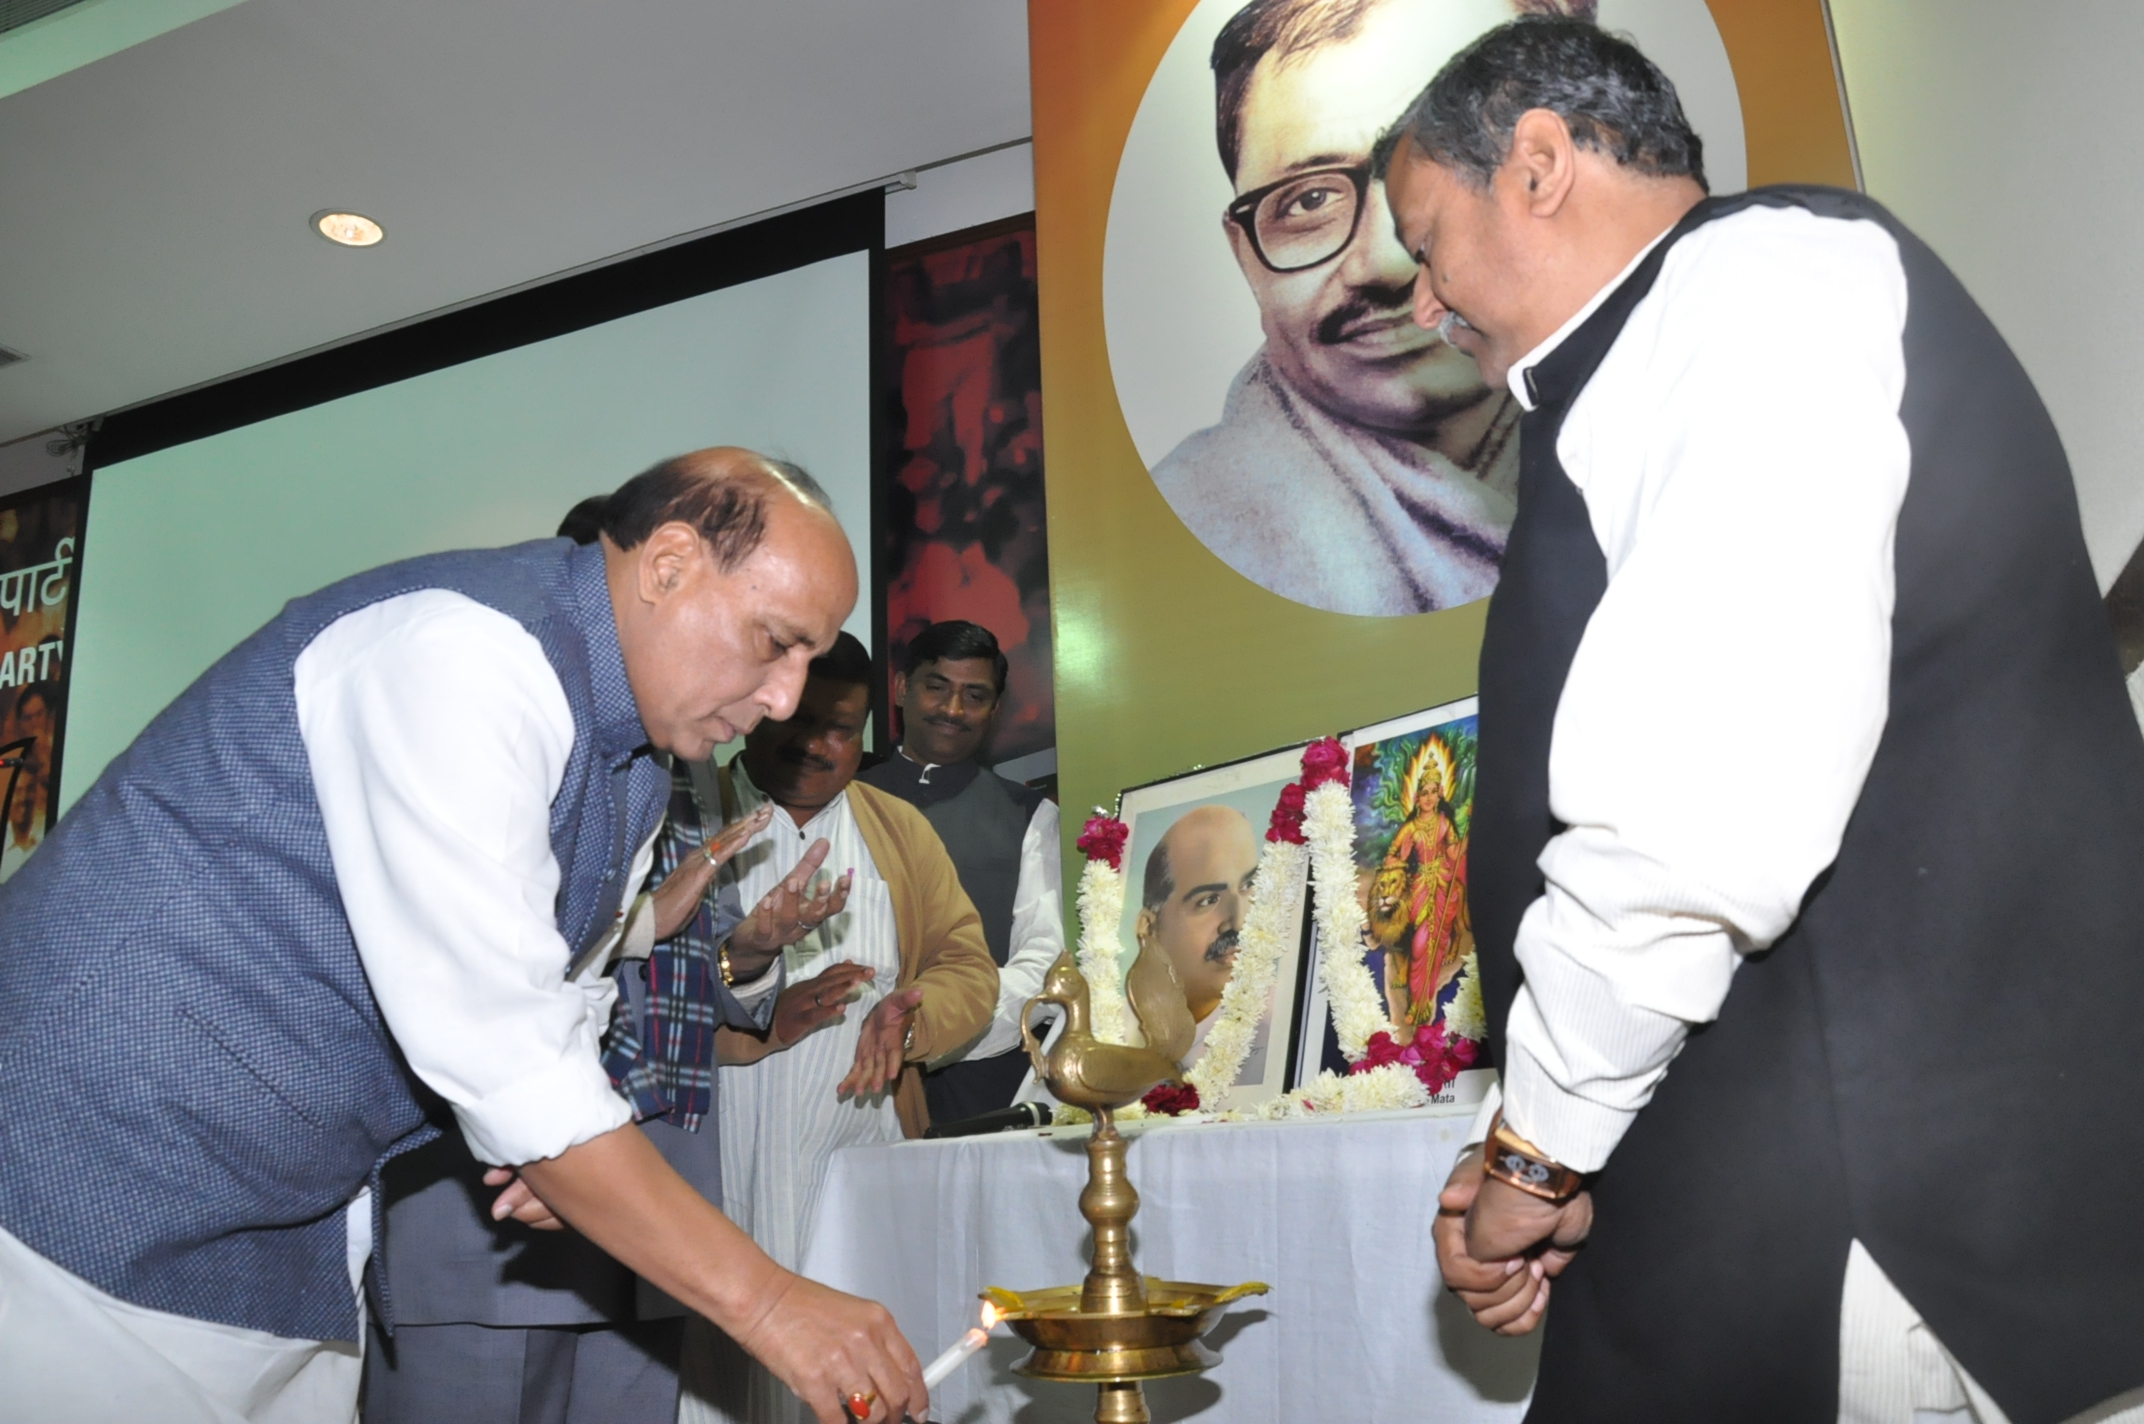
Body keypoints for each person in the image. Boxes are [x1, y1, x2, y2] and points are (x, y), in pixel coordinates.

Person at [1377, 18, 2144, 1421]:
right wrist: (1553, 1153)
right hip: (1807, 1219)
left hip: (1900, 1239)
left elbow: (1702, 816)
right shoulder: (1671, 351)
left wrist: (1540, 1151)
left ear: (1539, 164)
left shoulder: (1756, 284)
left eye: (1428, 241)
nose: (1426, 302)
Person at [0, 447, 932, 1424]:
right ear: (667, 565)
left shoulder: (637, 767)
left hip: (272, 1231)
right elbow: (503, 1048)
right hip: (84, 1183)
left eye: (807, 660)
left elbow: (563, 990)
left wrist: (559, 1147)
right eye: (774, 642)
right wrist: (773, 1301)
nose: (786, 698)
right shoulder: (466, 653)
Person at [361, 489, 861, 1424]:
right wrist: (639, 924)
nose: (783, 696)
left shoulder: (695, 758)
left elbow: (695, 966)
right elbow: (483, 972)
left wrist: (747, 946)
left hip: (659, 1166)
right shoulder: (489, 710)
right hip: (495, 1188)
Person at [1151, 0, 1589, 616]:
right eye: (1308, 202)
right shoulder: (1180, 556)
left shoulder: (1688, 407)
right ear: (1244, 254)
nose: (1385, 264)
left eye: (1451, 164)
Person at [681, 632, 996, 1424]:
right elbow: (636, 984)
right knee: (719, 1379)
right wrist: (753, 1008)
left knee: (865, 1372)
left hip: (863, 1154)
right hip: (720, 1159)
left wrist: (908, 1021)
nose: (817, 745)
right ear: (766, 705)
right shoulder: (691, 817)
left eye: (843, 728)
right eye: (803, 719)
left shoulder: (897, 828)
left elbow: (969, 968)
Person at [858, 620, 1063, 1124]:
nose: (953, 710)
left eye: (974, 695)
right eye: (937, 688)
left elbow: (1043, 959)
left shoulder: (1029, 815)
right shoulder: (847, 799)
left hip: (982, 1078)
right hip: (850, 1073)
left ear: (994, 710)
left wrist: (940, 1026)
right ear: (904, 688)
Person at [1125, 804, 1270, 1082]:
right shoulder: (1109, 1033)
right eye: (1207, 900)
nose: (1239, 922)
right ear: (1149, 929)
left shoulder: (1279, 1026)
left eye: (1248, 885)